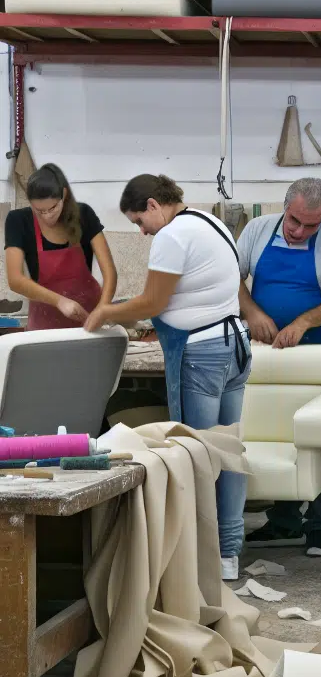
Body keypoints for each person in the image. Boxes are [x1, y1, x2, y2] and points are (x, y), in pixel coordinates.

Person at [84, 174, 250, 581]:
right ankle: (228, 554)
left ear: (155, 205)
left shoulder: (172, 237)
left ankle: (199, 559)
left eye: (140, 221)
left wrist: (105, 312)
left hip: (203, 354)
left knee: (194, 455)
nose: (141, 233)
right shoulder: (211, 222)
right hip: (235, 346)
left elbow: (154, 302)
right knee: (227, 452)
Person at [237, 177, 321, 558]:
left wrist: (303, 322)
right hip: (267, 360)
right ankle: (283, 522)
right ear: (285, 206)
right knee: (276, 436)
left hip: (316, 358)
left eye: (311, 225)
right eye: (295, 221)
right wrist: (253, 312)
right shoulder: (257, 231)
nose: (300, 231)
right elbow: (231, 279)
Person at [5, 163, 117, 329]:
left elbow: (110, 274)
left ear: (63, 195)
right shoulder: (18, 221)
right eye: (39, 211)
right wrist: (59, 301)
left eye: (53, 208)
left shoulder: (83, 215)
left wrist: (102, 309)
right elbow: (15, 280)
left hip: (89, 318)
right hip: (45, 323)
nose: (47, 216)